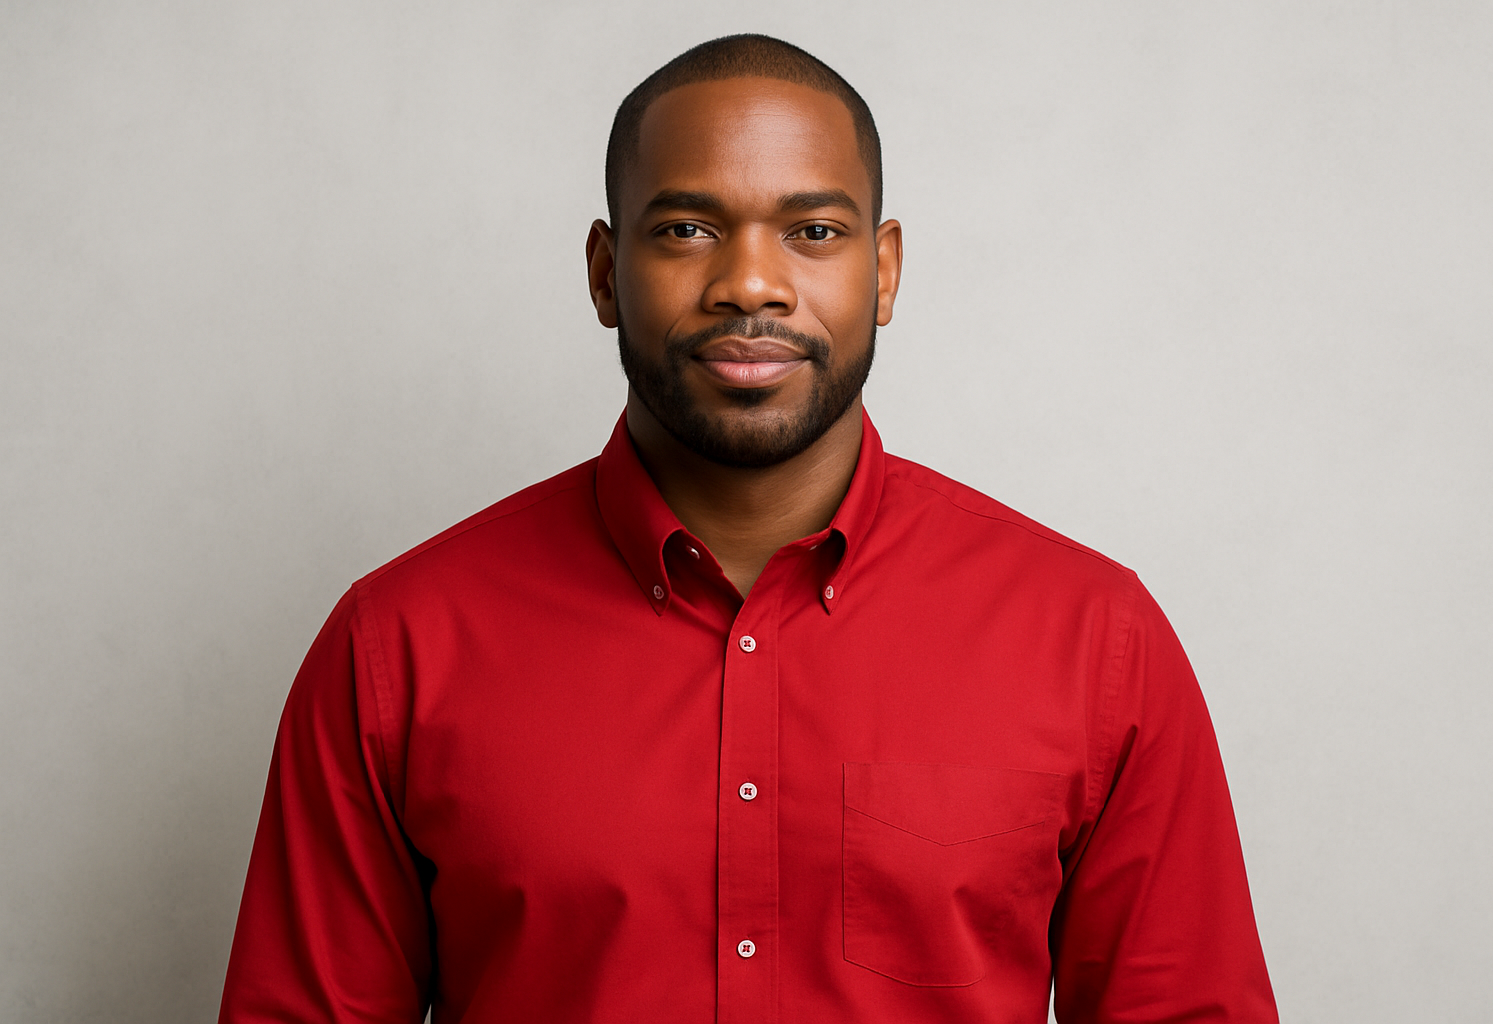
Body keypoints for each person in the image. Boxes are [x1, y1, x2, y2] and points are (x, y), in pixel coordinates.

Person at [219, 33, 1279, 1024]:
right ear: (602, 272)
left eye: (813, 231)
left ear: (886, 269)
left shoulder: (1096, 641)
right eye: (686, 229)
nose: (751, 285)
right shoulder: (397, 647)